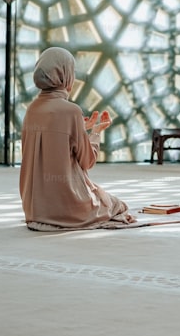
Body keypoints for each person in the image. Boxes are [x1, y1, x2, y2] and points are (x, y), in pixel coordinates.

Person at [19, 46, 136, 230]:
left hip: (34, 210)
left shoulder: (31, 110)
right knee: (115, 204)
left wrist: (80, 129)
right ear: (65, 75)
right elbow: (87, 161)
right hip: (68, 208)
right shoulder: (71, 111)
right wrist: (95, 133)